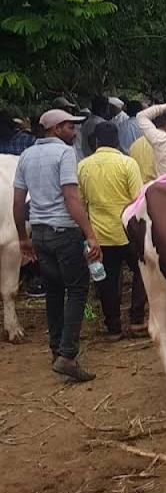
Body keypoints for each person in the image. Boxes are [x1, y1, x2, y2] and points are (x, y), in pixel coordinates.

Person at [13, 108, 100, 382]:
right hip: (64, 232)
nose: (74, 132)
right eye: (69, 127)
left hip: (39, 233)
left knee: (53, 291)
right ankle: (67, 355)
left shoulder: (26, 155)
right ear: (55, 129)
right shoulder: (64, 153)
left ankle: (56, 350)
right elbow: (71, 198)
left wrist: (23, 238)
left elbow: (18, 202)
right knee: (77, 290)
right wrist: (90, 234)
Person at [77, 122, 146, 338]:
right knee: (141, 272)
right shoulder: (128, 163)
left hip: (99, 235)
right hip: (128, 233)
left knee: (106, 279)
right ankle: (136, 319)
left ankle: (113, 326)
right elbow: (138, 199)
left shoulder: (83, 166)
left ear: (96, 141)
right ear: (117, 140)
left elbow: (80, 202)